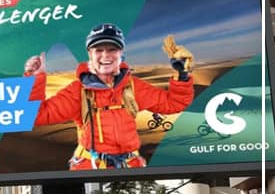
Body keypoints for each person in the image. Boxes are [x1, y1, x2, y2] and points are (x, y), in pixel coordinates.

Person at [24, 23, 195, 169]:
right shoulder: (79, 90)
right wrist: (35, 79)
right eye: (98, 50)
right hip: (89, 168)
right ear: (90, 54)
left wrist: (183, 74)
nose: (105, 56)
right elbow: (36, 115)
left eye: (112, 49)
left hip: (131, 166)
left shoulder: (132, 86)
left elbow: (174, 103)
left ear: (121, 54)